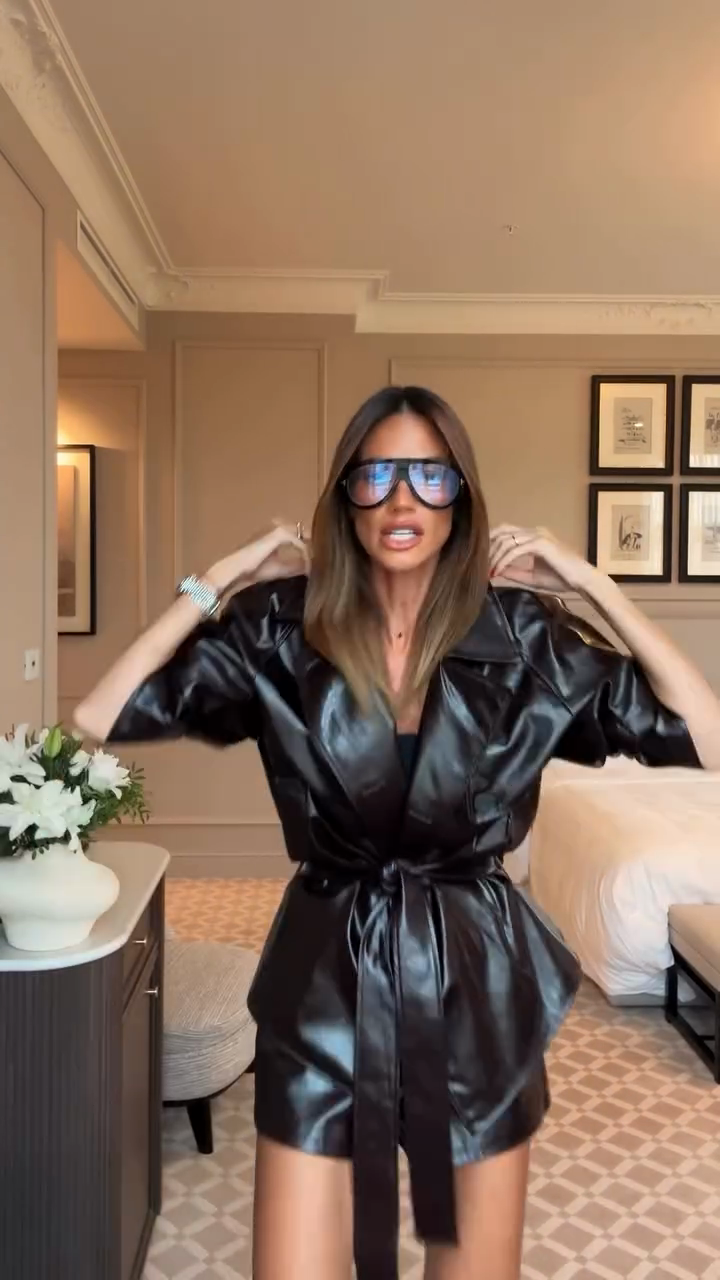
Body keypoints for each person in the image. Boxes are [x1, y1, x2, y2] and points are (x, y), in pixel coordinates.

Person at [75, 386, 720, 1280]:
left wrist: (595, 587)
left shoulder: (526, 637)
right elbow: (99, 714)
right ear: (346, 496)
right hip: (323, 973)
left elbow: (707, 735)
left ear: (462, 498)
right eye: (376, 475)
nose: (402, 498)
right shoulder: (282, 629)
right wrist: (223, 575)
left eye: (429, 475)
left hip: (476, 981)